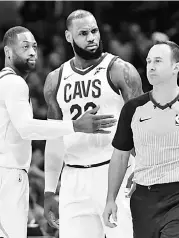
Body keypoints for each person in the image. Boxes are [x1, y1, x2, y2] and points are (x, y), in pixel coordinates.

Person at [0, 26, 117, 238]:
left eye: (34, 47)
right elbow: (26, 128)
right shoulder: (13, 82)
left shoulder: (1, 81)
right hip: (2, 174)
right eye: (25, 47)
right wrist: (75, 125)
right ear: (8, 52)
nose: (32, 52)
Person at [103, 41, 179, 238]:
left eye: (158, 61)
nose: (151, 66)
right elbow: (120, 156)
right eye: (149, 61)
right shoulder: (132, 109)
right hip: (143, 199)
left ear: (176, 67)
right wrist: (110, 199)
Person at [43, 10, 143, 238]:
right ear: (69, 37)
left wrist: (142, 169)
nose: (91, 38)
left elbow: (142, 126)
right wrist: (50, 190)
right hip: (73, 177)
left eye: (94, 31)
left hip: (114, 171)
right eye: (83, 33)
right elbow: (54, 137)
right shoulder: (55, 80)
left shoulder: (121, 71)